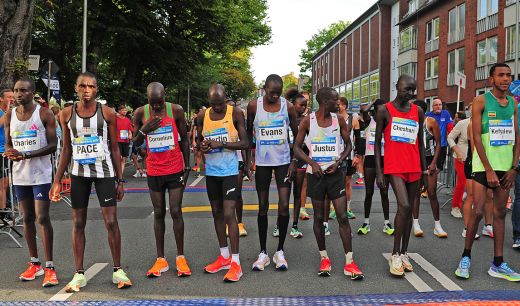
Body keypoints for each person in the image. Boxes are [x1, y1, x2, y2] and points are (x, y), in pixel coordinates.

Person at [49, 72, 132, 292]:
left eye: (91, 86)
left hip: (104, 172)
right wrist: (57, 180)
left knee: (111, 221)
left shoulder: (107, 113)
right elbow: (66, 149)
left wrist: (120, 180)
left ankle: (117, 270)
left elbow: (114, 147)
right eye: (82, 86)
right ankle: (79, 274)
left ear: (97, 89)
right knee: (77, 222)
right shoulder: (66, 114)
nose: (87, 90)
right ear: (76, 88)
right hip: (79, 174)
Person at [455, 63, 520, 281]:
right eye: (501, 75)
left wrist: (513, 168)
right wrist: (489, 169)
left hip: (505, 167)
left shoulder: (512, 103)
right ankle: (465, 257)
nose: (506, 79)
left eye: (508, 75)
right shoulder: (481, 101)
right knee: (479, 211)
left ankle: (498, 263)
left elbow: (517, 137)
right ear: (491, 79)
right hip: (483, 167)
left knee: (500, 214)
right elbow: (475, 137)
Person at [293, 87, 363, 279]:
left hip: (334, 174)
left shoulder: (339, 119)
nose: (338, 103)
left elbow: (349, 145)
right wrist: (312, 163)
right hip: (315, 175)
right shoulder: (309, 121)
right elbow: (296, 148)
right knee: (318, 218)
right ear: (325, 102)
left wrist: (339, 162)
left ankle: (350, 261)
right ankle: (324, 257)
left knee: (342, 217)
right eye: (334, 100)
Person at [132, 82, 191, 278]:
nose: (156, 107)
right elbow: (134, 142)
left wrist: (188, 166)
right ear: (147, 99)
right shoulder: (141, 113)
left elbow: (184, 137)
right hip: (155, 170)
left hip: (175, 168)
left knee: (175, 210)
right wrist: (144, 130)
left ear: (165, 96)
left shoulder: (176, 110)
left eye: (159, 102)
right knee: (158, 212)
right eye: (153, 103)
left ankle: (180, 257)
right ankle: (160, 259)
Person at [5, 78, 58, 287]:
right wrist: (10, 151)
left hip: (41, 174)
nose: (18, 94)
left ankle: (50, 267)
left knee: (42, 217)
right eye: (16, 90)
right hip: (20, 175)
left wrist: (27, 154)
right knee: (26, 217)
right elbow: (10, 141)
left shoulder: (44, 113)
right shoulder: (10, 115)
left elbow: (53, 145)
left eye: (23, 90)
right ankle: (34, 263)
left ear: (32, 92)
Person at [375, 74, 427, 276]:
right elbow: (378, 142)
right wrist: (379, 172)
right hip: (394, 166)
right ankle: (395, 254)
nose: (411, 94)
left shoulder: (418, 111)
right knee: (404, 206)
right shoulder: (384, 110)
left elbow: (420, 142)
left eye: (413, 90)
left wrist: (424, 170)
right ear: (397, 86)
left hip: (414, 166)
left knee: (410, 210)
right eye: (407, 89)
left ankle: (404, 253)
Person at [246, 74, 298, 271]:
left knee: (284, 205)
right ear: (264, 88)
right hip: (263, 162)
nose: (275, 96)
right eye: (271, 92)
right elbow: (247, 133)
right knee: (262, 206)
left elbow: (297, 135)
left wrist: (294, 160)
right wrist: (248, 162)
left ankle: (280, 251)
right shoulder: (253, 106)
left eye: (278, 93)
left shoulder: (289, 107)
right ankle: (263, 253)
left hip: (284, 161)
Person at [197, 84, 248, 282]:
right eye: (213, 104)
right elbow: (201, 142)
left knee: (229, 214)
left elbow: (245, 143)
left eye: (220, 104)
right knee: (217, 213)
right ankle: (224, 256)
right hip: (212, 172)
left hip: (230, 172)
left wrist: (223, 144)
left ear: (226, 98)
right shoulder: (203, 116)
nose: (217, 108)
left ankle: (236, 262)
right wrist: (203, 146)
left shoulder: (234, 112)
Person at [356, 99, 394, 236]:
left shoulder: (389, 122)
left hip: (385, 158)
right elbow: (364, 110)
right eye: (379, 110)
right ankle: (366, 222)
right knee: (369, 192)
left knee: (384, 192)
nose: (381, 112)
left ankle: (387, 223)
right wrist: (373, 102)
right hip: (371, 158)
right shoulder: (369, 120)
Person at [412, 100, 448, 238]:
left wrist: (434, 163)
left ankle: (437, 225)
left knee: (432, 192)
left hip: (429, 159)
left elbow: (439, 143)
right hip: (415, 161)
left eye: (417, 110)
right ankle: (416, 224)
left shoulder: (431, 121)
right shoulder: (410, 122)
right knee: (415, 192)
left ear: (423, 110)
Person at [226, 98, 248, 237]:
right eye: (229, 107)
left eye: (234, 107)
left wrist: (246, 164)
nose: (232, 110)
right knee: (226, 196)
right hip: (222, 163)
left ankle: (239, 223)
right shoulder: (219, 122)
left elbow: (245, 143)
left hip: (238, 160)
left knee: (237, 194)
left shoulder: (239, 121)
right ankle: (229, 223)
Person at [448, 111, 469, 219]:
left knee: (476, 184)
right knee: (462, 182)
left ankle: (471, 204)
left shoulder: (484, 123)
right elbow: (450, 137)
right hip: (462, 157)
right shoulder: (463, 123)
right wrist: (457, 151)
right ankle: (455, 207)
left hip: (478, 158)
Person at [426, 99, 453, 172]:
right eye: (436, 105)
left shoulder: (446, 113)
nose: (438, 107)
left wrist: (452, 140)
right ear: (432, 106)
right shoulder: (428, 115)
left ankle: (433, 181)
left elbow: (450, 127)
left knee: (439, 168)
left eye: (440, 105)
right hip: (431, 147)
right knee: (430, 167)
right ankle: (430, 182)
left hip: (442, 144)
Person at [116, 105, 133, 178]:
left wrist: (130, 135)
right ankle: (116, 174)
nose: (124, 111)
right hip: (117, 141)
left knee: (124, 159)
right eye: (123, 110)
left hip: (126, 141)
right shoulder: (115, 119)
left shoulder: (128, 120)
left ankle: (120, 176)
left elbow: (129, 129)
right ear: (119, 111)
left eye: (125, 110)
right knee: (118, 158)